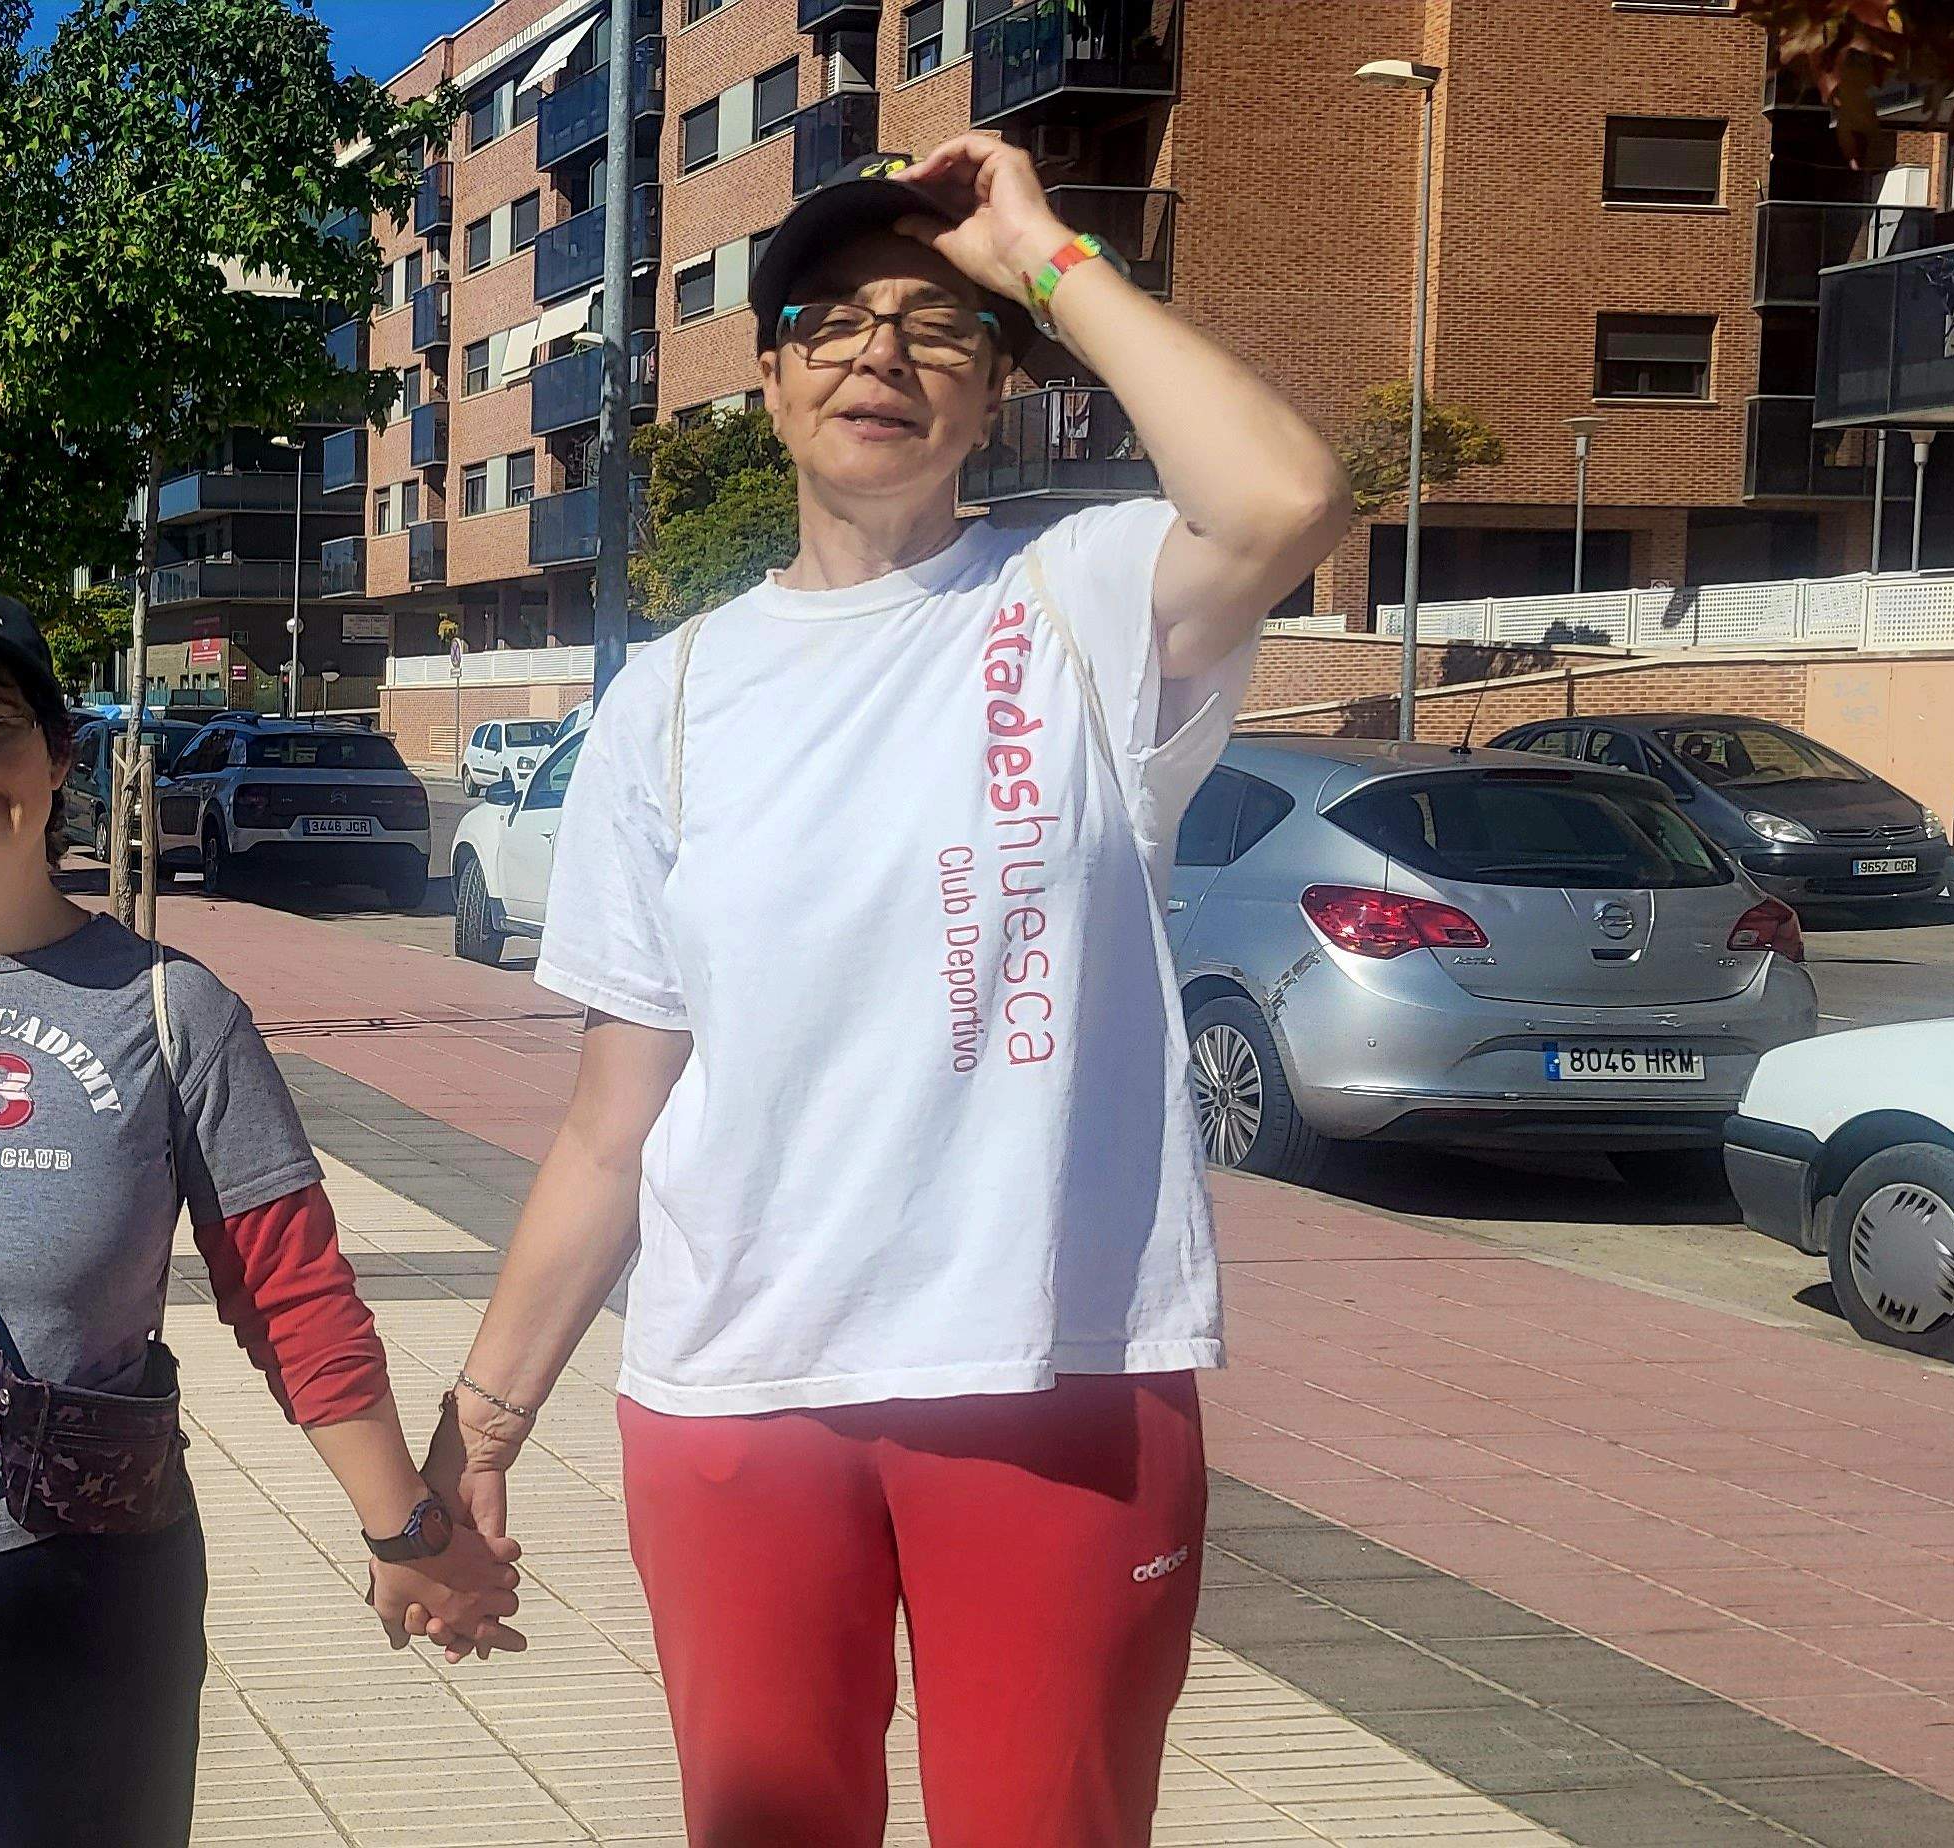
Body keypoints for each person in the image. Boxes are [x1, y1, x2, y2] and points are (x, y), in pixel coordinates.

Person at [422, 137, 1355, 1848]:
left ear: (992, 389)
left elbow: (1287, 496)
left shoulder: (1081, 597)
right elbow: (616, 1118)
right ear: (767, 377)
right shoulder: (675, 700)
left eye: (936, 332)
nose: (881, 358)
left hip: (1056, 1372)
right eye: (835, 324)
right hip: (736, 1394)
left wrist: (1044, 256)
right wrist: (482, 1419)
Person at [0, 573, 522, 1848]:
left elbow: (290, 1291)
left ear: (58, 753)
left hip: (75, 1586)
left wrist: (403, 1524)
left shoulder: (170, 1012)